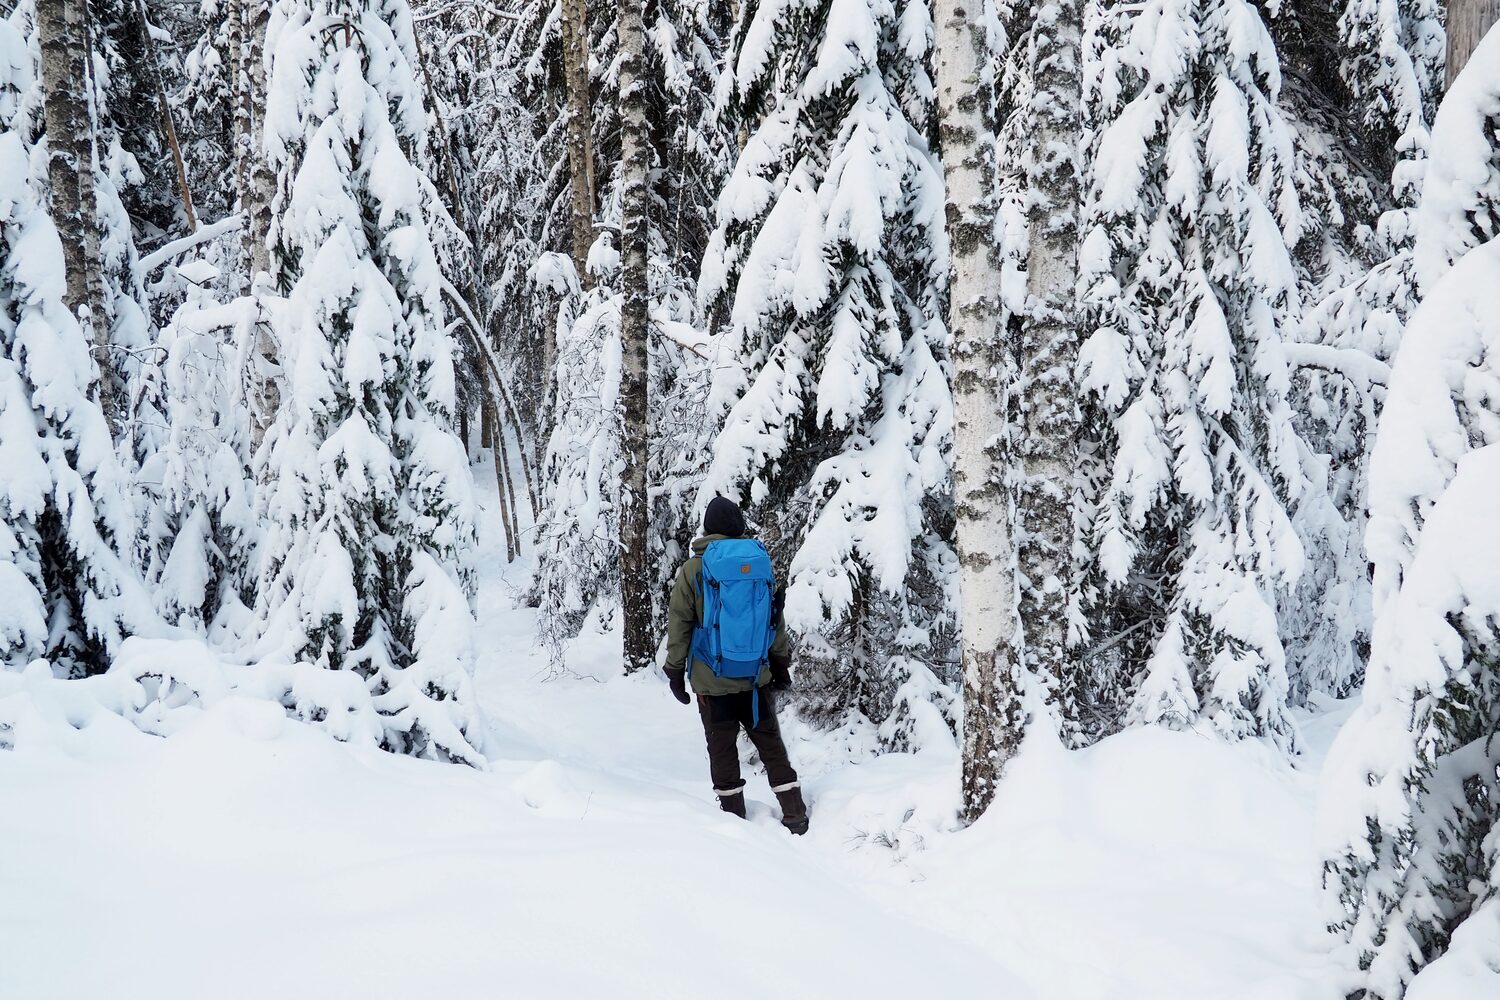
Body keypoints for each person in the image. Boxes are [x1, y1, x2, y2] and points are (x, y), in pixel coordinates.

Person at [663, 496, 809, 835]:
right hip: (755, 676)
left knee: (722, 749)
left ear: (708, 529)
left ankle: (733, 823)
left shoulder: (694, 569)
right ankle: (795, 814)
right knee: (770, 744)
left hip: (711, 681)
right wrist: (779, 662)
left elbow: (680, 622)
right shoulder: (759, 564)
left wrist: (674, 670)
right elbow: (773, 618)